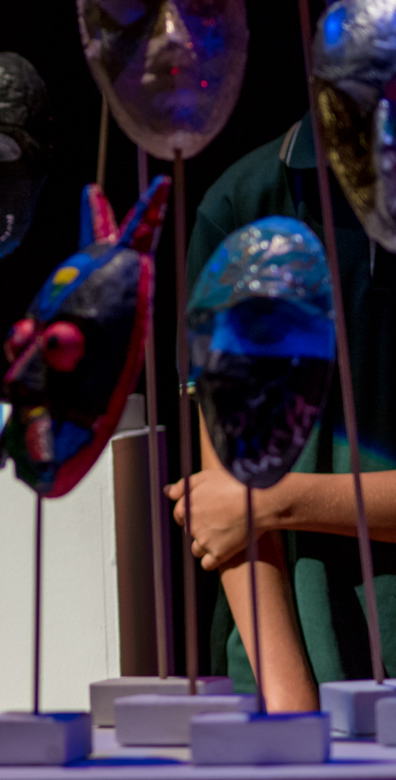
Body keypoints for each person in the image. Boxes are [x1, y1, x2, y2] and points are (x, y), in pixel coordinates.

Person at [170, 114, 396, 709]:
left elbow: (238, 504)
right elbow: (225, 494)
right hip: (296, 666)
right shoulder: (245, 202)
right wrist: (290, 704)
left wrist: (275, 501)